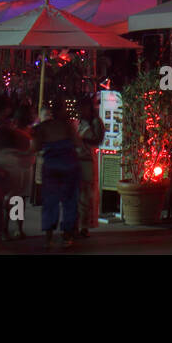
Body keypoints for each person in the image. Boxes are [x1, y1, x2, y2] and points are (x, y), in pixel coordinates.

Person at [32, 104, 81, 249]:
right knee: (69, 201)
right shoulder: (69, 126)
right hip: (70, 165)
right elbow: (77, 143)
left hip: (51, 166)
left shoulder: (43, 127)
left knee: (50, 201)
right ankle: (67, 235)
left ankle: (48, 237)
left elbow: (35, 147)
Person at [76, 99, 106, 239]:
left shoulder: (95, 122)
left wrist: (82, 140)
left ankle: (84, 225)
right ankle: (77, 224)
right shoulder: (80, 122)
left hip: (87, 160)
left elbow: (98, 140)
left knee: (86, 195)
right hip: (77, 159)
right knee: (78, 195)